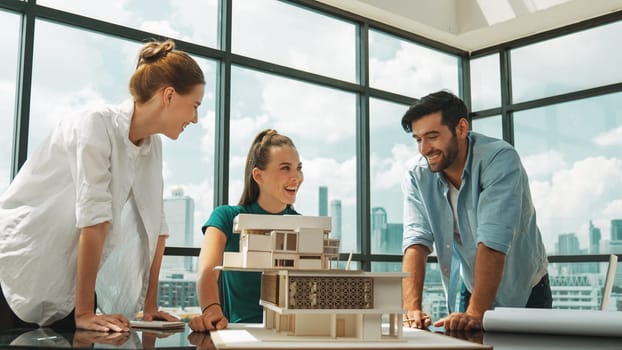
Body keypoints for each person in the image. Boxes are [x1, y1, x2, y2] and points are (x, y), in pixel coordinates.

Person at [0, 39, 205, 332]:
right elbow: (94, 218)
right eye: (195, 106)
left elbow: (157, 228)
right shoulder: (95, 124)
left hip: (68, 283)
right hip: (18, 264)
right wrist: (84, 313)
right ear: (169, 95)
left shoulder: (153, 145)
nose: (195, 119)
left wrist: (150, 308)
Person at [400, 90, 551, 331]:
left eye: (432, 136)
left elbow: (493, 239)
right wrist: (412, 309)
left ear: (461, 129)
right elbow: (416, 241)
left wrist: (476, 313)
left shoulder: (499, 159)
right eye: (418, 139)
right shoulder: (417, 174)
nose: (424, 149)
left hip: (525, 287)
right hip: (470, 284)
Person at [189, 129, 303, 332]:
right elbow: (207, 273)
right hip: (238, 334)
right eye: (285, 168)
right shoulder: (225, 217)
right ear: (258, 175)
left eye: (298, 168)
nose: (296, 176)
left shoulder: (304, 226)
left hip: (291, 334)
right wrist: (211, 311)